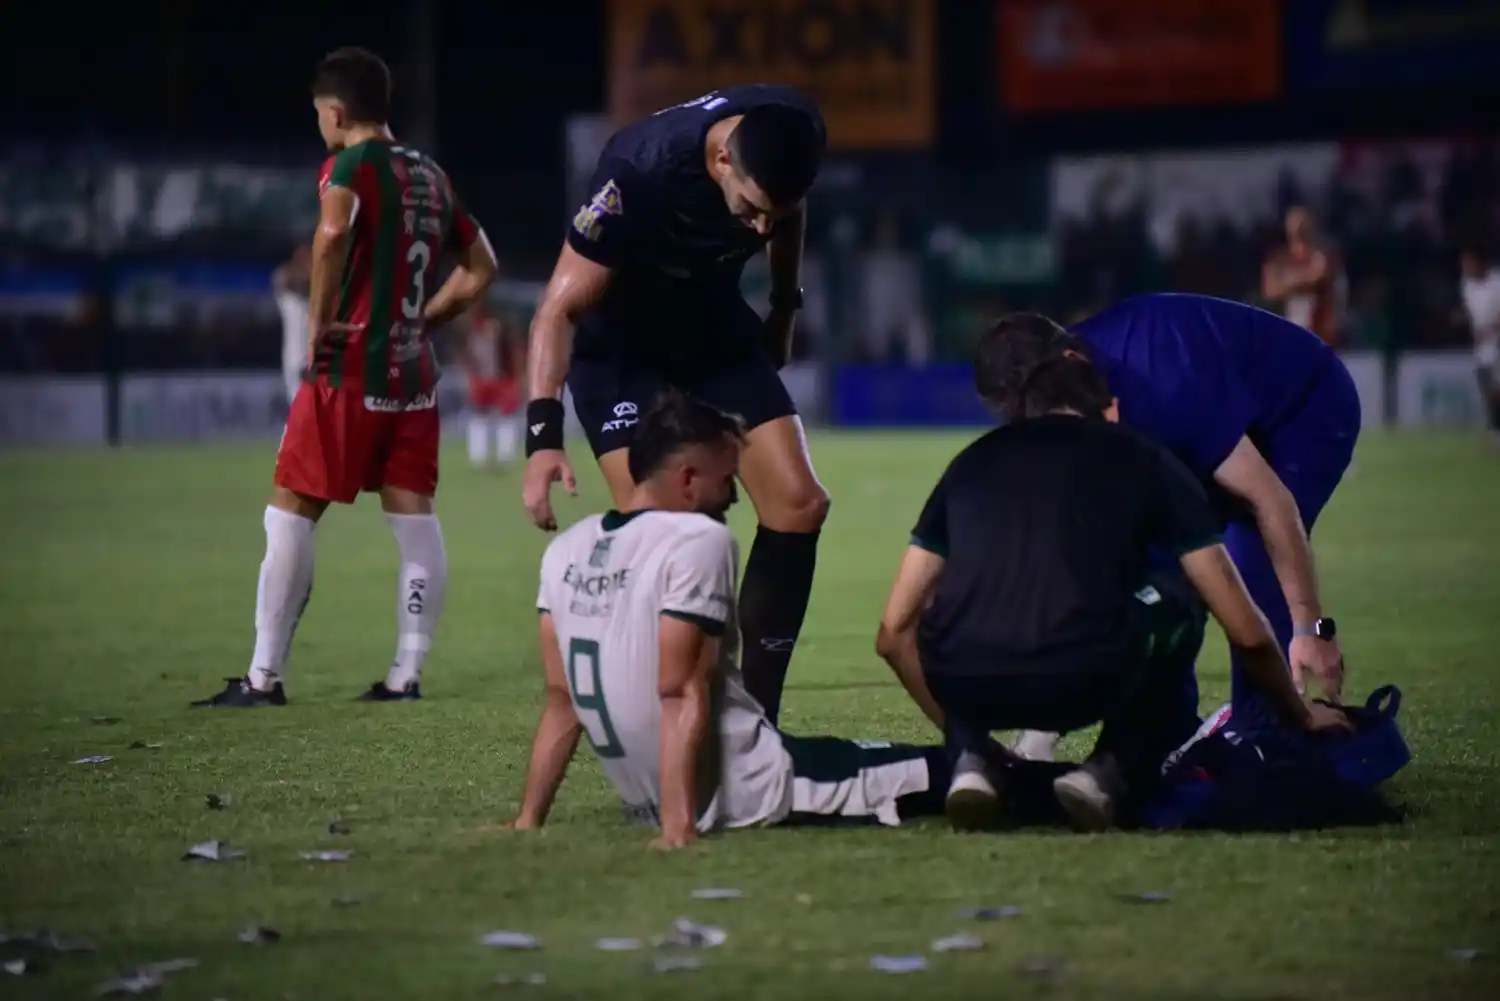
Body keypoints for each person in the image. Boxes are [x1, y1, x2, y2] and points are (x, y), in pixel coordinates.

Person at [875, 355, 1352, 832]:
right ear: (1112, 410)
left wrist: (962, 735)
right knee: (1182, 592)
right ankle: (1110, 769)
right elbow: (1246, 633)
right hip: (1084, 676)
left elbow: (893, 634)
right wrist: (1299, 714)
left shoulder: (970, 461)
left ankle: (971, 761)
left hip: (968, 679)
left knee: (956, 608)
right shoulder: (1146, 458)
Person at [193, 47, 497, 708]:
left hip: (350, 368)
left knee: (292, 508)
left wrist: (319, 321)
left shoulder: (350, 165)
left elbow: (331, 235)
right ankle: (404, 674)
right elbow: (483, 267)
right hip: (412, 374)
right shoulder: (432, 175)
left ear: (335, 112)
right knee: (415, 519)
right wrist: (422, 317)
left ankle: (262, 678)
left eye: (319, 116)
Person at [508, 392, 946, 848]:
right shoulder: (697, 540)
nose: (734, 496)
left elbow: (563, 702)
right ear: (689, 478)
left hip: (647, 800)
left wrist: (528, 818)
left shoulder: (566, 551)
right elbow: (680, 690)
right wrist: (678, 827)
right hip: (754, 786)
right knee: (953, 768)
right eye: (727, 479)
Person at [522, 86, 830, 726]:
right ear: (722, 163)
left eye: (775, 213)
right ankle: (693, 720)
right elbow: (558, 307)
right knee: (683, 538)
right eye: (750, 210)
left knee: (800, 504)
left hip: (712, 331)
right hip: (624, 353)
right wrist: (543, 438)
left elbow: (787, 214)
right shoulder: (639, 173)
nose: (761, 227)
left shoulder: (787, 134)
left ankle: (759, 725)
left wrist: (782, 307)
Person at [975, 294, 1359, 761]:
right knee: (1153, 568)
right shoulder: (1072, 394)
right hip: (1209, 418)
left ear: (1071, 361)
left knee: (1246, 551)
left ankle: (1269, 731)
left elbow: (1270, 499)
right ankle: (1163, 730)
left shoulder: (1163, 380)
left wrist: (1311, 626)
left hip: (1303, 408)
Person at [1262, 206, 1345, 347]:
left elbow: (1320, 277)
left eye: (1302, 225)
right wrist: (1304, 280)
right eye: (1294, 225)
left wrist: (1290, 281)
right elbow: (1270, 290)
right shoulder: (1280, 258)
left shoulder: (1321, 255)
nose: (1298, 230)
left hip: (1320, 331)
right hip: (1291, 329)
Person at [462, 302, 525, 467]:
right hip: (483, 379)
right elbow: (469, 356)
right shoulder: (473, 331)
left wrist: (517, 377)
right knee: (480, 417)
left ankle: (504, 456)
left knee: (506, 417)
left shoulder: (501, 333)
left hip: (502, 379)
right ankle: (480, 457)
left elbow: (513, 354)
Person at [1459, 247, 1500, 447]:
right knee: (1487, 388)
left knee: (1496, 390)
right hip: (1483, 345)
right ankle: (1495, 430)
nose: (1466, 267)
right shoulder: (1467, 287)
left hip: (1497, 342)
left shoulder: (1496, 283)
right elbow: (1472, 315)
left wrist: (1490, 329)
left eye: (1469, 262)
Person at [272, 244, 312, 404]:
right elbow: (283, 279)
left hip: (311, 358)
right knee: (298, 407)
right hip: (295, 358)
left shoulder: (314, 298)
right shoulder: (289, 297)